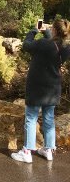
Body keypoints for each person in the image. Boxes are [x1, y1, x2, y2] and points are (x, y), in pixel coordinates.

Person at [11, 19, 70, 163]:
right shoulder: (66, 48)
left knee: (31, 118)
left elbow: (26, 45)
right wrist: (47, 33)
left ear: (54, 30)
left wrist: (33, 31)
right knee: (49, 119)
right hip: (53, 88)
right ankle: (48, 150)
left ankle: (26, 152)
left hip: (37, 87)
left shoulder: (43, 44)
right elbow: (54, 45)